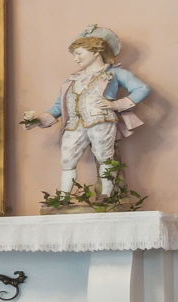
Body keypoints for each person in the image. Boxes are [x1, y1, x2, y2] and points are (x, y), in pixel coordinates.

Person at [20, 26, 149, 197]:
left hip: (101, 120)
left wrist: (117, 105)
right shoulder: (73, 79)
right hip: (74, 124)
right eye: (74, 54)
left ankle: (107, 194)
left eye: (79, 53)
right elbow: (59, 106)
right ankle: (63, 197)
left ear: (96, 51)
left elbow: (142, 88)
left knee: (104, 156)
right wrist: (38, 120)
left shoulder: (115, 73)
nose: (75, 59)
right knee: (67, 160)